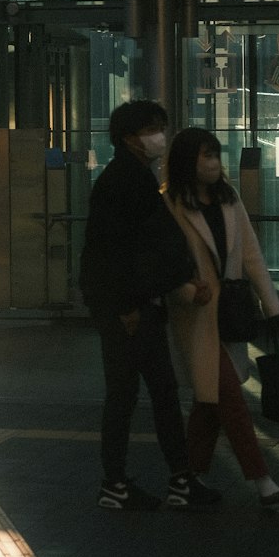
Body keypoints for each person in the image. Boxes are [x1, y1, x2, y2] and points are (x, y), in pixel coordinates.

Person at [79, 100, 220, 512]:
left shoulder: (132, 177)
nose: (160, 136)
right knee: (141, 393)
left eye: (162, 127)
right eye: (152, 129)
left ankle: (136, 483)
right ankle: (144, 483)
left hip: (134, 304)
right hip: (130, 308)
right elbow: (115, 251)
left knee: (141, 393)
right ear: (129, 138)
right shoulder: (124, 182)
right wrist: (127, 305)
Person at [165, 128, 279, 508]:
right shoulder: (171, 204)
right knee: (229, 397)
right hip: (197, 316)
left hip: (231, 313)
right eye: (205, 155)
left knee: (210, 401)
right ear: (188, 161)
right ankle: (262, 479)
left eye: (216, 154)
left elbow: (251, 255)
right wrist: (187, 291)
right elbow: (165, 264)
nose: (214, 162)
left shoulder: (228, 199)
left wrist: (273, 306)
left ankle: (185, 479)